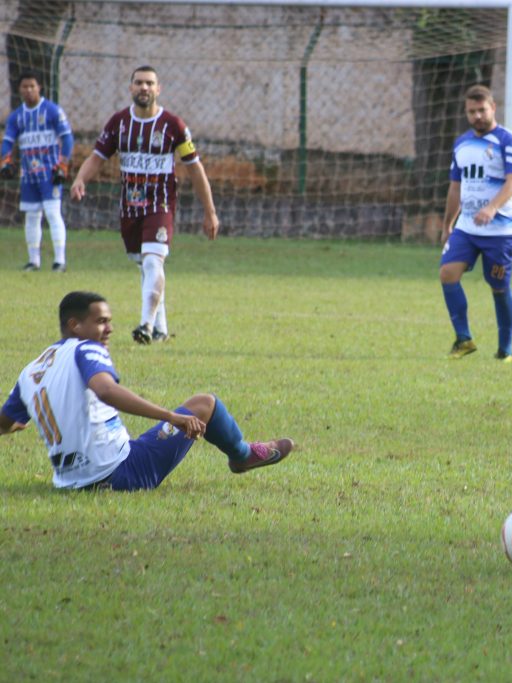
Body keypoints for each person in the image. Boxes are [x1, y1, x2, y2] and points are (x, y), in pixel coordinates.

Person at [0, 291, 294, 491]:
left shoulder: (31, 370)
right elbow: (106, 390)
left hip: (69, 482)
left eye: (109, 321)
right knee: (204, 404)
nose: (109, 329)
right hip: (121, 473)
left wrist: (14, 425)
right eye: (101, 321)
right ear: (75, 325)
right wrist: (172, 417)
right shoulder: (87, 348)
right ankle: (243, 455)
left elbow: (4, 423)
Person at [70, 65, 219, 345]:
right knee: (146, 266)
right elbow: (97, 156)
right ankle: (160, 329)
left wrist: (210, 212)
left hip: (160, 205)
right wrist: (80, 179)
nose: (144, 88)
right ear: (131, 88)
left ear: (158, 89)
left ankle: (146, 325)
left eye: (150, 83)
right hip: (130, 207)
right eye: (139, 82)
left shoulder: (173, 125)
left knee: (152, 260)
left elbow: (195, 168)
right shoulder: (119, 123)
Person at [440, 84, 512, 362]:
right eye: (471, 111)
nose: (477, 116)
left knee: (499, 287)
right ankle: (463, 339)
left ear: (493, 108)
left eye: (481, 110)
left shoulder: (509, 141)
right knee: (447, 273)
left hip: (501, 231)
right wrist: (448, 223)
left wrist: (491, 207)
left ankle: (505, 350)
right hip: (467, 228)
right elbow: (456, 187)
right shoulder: (461, 144)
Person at [1, 70, 74, 272]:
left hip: (50, 173)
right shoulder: (16, 116)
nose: (29, 90)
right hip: (28, 174)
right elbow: (7, 142)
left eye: (32, 86)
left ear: (39, 87)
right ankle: (34, 261)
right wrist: (5, 161)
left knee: (52, 213)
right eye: (25, 86)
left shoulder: (52, 111)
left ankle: (59, 261)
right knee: (32, 216)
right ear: (19, 89)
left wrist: (63, 165)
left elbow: (67, 138)